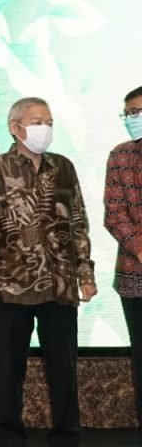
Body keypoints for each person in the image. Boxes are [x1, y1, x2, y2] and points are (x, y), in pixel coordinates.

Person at [0, 96, 94, 447]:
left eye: (49, 122)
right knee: (10, 372)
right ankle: (9, 438)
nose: (44, 129)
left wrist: (85, 273)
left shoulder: (63, 167)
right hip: (9, 287)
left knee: (63, 370)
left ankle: (66, 437)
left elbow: (77, 222)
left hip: (59, 286)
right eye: (37, 122)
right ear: (15, 127)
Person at [105, 85, 142, 430]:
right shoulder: (121, 156)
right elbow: (114, 214)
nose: (134, 118)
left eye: (139, 111)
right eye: (130, 112)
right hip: (135, 273)